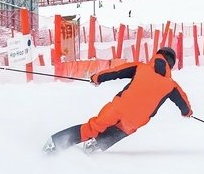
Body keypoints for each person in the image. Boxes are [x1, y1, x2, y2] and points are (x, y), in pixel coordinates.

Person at [45, 47, 191, 153]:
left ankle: (56, 143)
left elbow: (116, 72)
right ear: (171, 65)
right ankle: (95, 146)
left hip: (118, 108)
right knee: (121, 130)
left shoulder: (140, 67)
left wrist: (97, 78)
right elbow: (184, 104)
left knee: (94, 126)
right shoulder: (172, 85)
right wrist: (187, 113)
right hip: (136, 120)